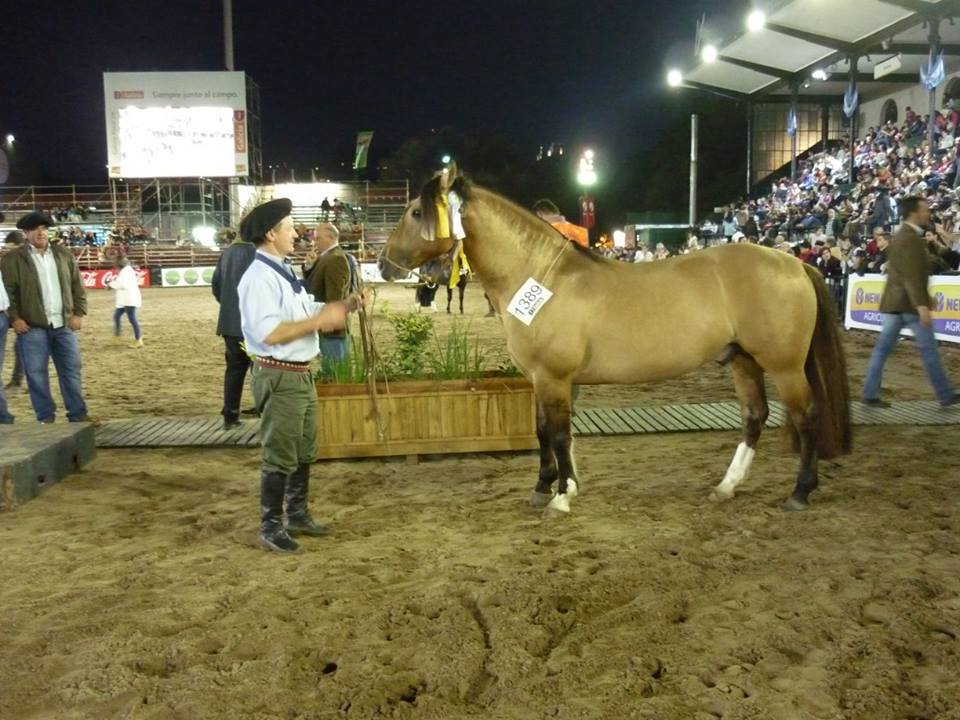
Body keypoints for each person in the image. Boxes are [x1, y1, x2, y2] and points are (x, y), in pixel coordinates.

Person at [237, 198, 365, 553]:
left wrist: (343, 305)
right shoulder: (259, 278)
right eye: (290, 227)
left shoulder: (281, 270)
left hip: (298, 373)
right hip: (280, 375)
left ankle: (296, 514)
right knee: (280, 453)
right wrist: (320, 321)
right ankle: (270, 526)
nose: (297, 233)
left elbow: (305, 308)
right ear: (271, 233)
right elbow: (270, 334)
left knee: (304, 449)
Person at [862, 196, 957, 407]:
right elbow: (911, 276)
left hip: (896, 304)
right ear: (914, 212)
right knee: (928, 350)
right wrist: (922, 305)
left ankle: (870, 393)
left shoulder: (901, 236)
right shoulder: (910, 239)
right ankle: (945, 394)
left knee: (883, 350)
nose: (927, 213)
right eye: (924, 210)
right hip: (908, 306)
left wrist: (924, 298)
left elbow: (907, 274)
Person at [0, 211, 93, 423]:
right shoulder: (13, 259)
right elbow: (9, 292)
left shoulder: (63, 254)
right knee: (36, 376)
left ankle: (78, 415)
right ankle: (45, 418)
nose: (40, 233)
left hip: (63, 324)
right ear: (26, 232)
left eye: (43, 228)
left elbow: (77, 286)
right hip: (32, 327)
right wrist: (15, 318)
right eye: (35, 229)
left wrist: (79, 312)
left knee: (71, 371)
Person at [212, 226, 257, 430]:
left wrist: (229, 306)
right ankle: (264, 409)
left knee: (234, 369)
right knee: (262, 368)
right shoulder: (259, 252)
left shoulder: (227, 252)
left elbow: (216, 286)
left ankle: (230, 413)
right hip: (256, 324)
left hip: (230, 323)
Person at [305, 223, 355, 379]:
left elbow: (336, 295)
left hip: (331, 330)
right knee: (332, 371)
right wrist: (309, 267)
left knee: (335, 374)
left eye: (318, 238)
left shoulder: (336, 259)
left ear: (331, 237)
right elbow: (315, 285)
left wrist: (330, 321)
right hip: (327, 325)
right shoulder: (327, 257)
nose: (315, 242)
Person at [3, 230, 26, 391]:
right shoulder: (7, 262)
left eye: (10, 248)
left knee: (22, 347)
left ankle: (18, 380)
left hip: (27, 312)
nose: (7, 251)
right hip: (13, 311)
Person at [106, 253, 143, 348]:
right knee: (117, 316)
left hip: (129, 299)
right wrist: (112, 284)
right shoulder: (125, 271)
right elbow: (120, 283)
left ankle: (138, 340)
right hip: (125, 299)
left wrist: (110, 284)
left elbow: (122, 285)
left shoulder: (126, 272)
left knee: (132, 319)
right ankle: (117, 337)